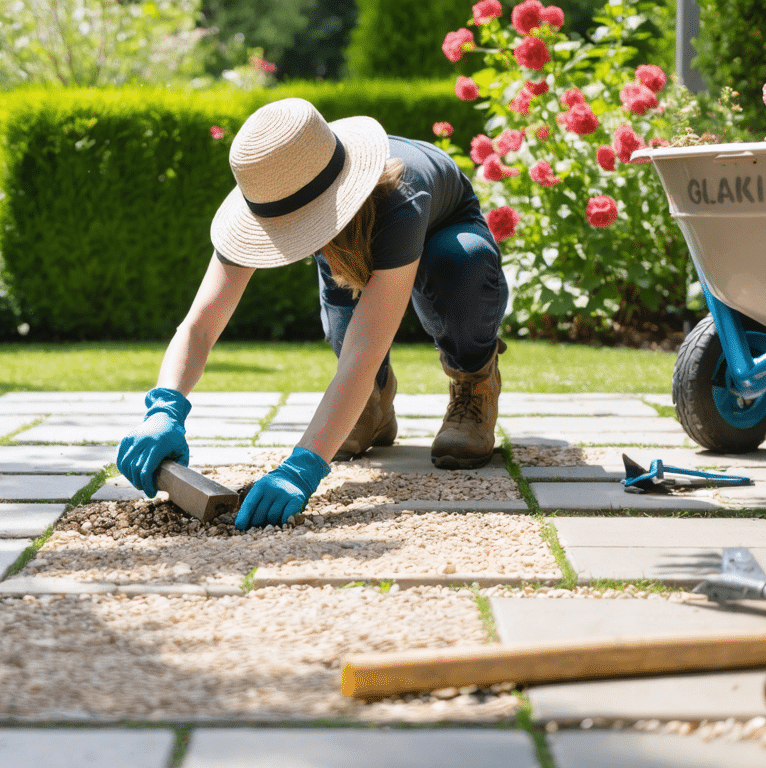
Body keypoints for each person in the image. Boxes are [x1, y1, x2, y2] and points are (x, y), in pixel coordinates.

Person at [117, 98, 508, 530]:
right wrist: (164, 407)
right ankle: (373, 405)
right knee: (349, 341)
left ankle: (474, 378)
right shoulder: (275, 181)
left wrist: (303, 466)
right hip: (349, 228)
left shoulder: (400, 197)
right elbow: (199, 324)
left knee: (459, 262)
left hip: (439, 228)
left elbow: (366, 346)